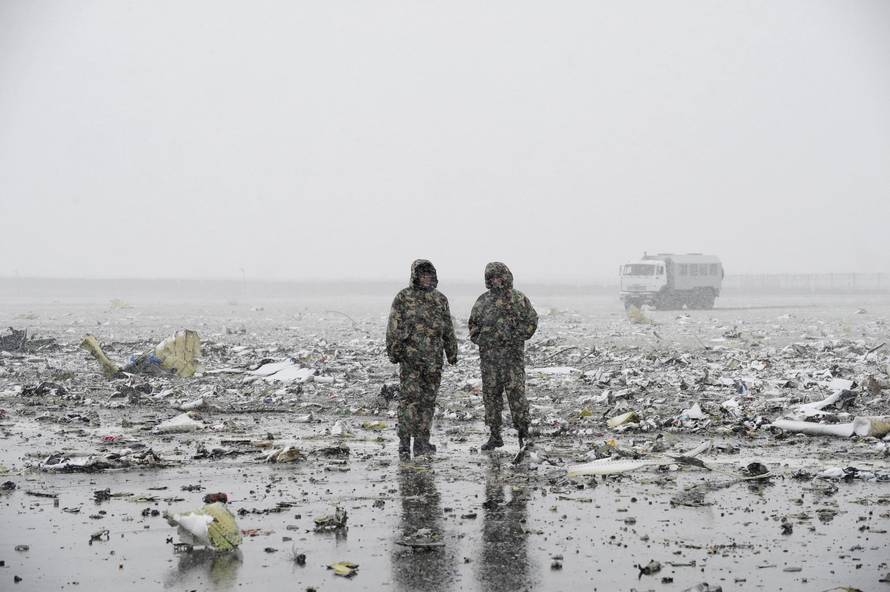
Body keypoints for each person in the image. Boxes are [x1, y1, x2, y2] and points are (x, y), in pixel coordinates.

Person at [386, 259, 458, 457]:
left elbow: (448, 328)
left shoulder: (440, 299)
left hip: (434, 360)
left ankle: (422, 441)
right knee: (410, 401)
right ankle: (404, 441)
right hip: (410, 360)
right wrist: (393, 351)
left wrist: (452, 351)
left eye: (429, 275)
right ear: (415, 276)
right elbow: (393, 325)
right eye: (422, 275)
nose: (426, 278)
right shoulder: (403, 297)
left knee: (428, 401)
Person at [468, 262, 538, 450]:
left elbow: (532, 321)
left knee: (516, 396)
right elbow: (473, 326)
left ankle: (523, 435)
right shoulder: (483, 301)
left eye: (499, 277)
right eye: (492, 278)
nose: (496, 280)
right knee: (491, 397)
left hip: (512, 359)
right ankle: (495, 435)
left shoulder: (518, 299)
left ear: (506, 277)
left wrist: (515, 336)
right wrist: (483, 339)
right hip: (489, 360)